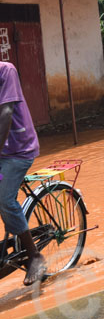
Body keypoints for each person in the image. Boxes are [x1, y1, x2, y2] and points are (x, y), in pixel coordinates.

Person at [0, 62, 46, 286]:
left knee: (5, 198)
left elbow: (6, 112)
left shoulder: (5, 71)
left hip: (19, 149)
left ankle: (34, 254)